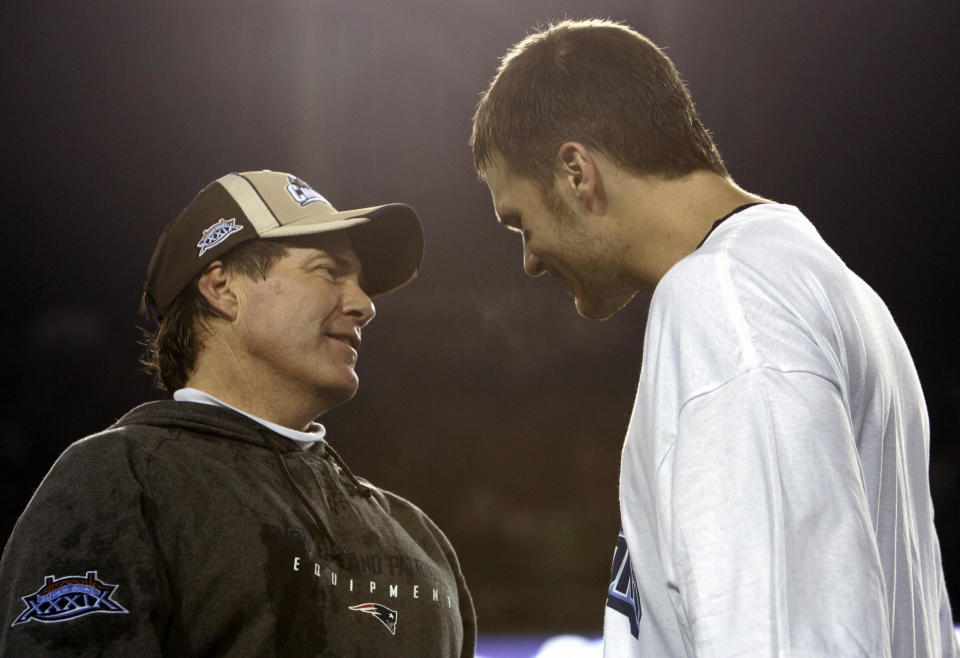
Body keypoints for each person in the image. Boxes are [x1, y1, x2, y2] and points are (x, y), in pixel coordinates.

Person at [471, 18, 957, 657]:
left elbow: (783, 639)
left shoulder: (728, 300)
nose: (530, 260)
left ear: (576, 172)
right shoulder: (818, 283)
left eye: (520, 223)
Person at [0, 170, 476, 656]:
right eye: (328, 271)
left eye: (359, 281)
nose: (364, 305)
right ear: (223, 287)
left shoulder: (418, 534)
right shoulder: (120, 483)